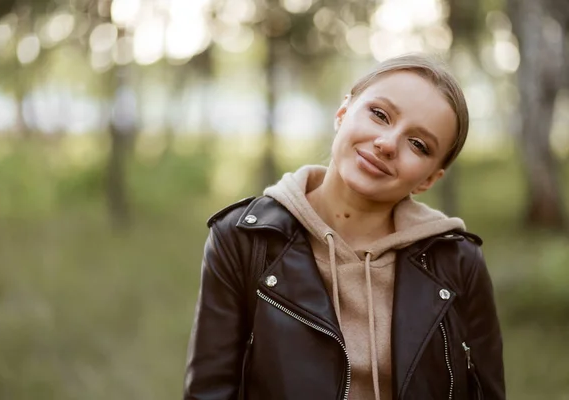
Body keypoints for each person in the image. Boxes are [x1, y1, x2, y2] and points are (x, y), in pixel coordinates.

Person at [183, 54, 505, 400]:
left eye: (418, 144)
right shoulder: (244, 239)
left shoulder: (458, 261)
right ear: (343, 113)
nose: (387, 144)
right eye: (379, 115)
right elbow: (209, 392)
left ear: (429, 179)